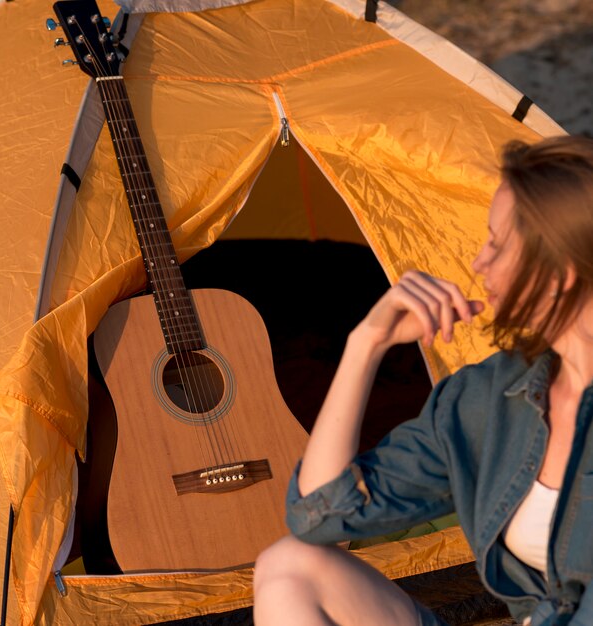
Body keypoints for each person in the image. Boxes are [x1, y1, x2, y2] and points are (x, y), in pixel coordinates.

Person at [253, 135, 593, 626]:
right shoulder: (490, 396)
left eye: (497, 244)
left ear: (559, 272)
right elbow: (318, 516)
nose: (479, 262)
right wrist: (365, 344)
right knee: (289, 566)